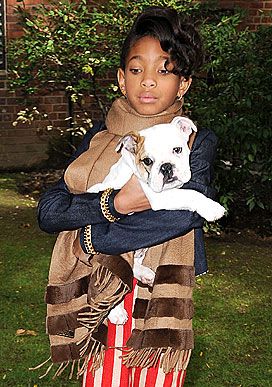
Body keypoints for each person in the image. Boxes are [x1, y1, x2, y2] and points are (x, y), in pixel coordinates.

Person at [38, 6, 218, 387]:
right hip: (99, 287)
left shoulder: (194, 140)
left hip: (160, 285)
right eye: (137, 70)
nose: (148, 81)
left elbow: (182, 215)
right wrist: (113, 204)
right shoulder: (99, 142)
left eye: (164, 70)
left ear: (183, 83)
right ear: (121, 79)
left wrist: (89, 234)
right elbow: (50, 211)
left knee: (155, 376)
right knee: (104, 376)